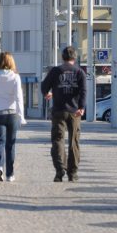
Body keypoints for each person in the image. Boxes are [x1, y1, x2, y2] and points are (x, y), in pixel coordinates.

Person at [41, 45, 86, 182]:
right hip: (74, 112)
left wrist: (47, 93)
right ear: (75, 57)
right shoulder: (79, 72)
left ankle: (60, 170)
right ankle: (72, 173)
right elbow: (83, 91)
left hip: (58, 110)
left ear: (63, 57)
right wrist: (81, 107)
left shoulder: (56, 71)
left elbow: (44, 86)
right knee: (74, 142)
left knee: (58, 141)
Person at [0, 51, 26, 182]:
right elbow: (19, 97)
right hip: (12, 114)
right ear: (11, 62)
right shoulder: (15, 77)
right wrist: (21, 116)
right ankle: (10, 174)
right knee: (10, 144)